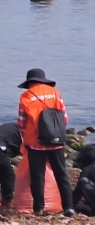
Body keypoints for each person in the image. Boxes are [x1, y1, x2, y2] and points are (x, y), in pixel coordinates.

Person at [17, 67, 75, 216]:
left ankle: (39, 208)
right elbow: (64, 118)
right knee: (61, 174)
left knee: (37, 176)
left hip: (35, 143)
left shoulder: (25, 97)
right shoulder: (55, 93)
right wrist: (57, 134)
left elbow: (22, 122)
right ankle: (68, 207)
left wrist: (26, 139)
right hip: (56, 141)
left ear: (29, 82)